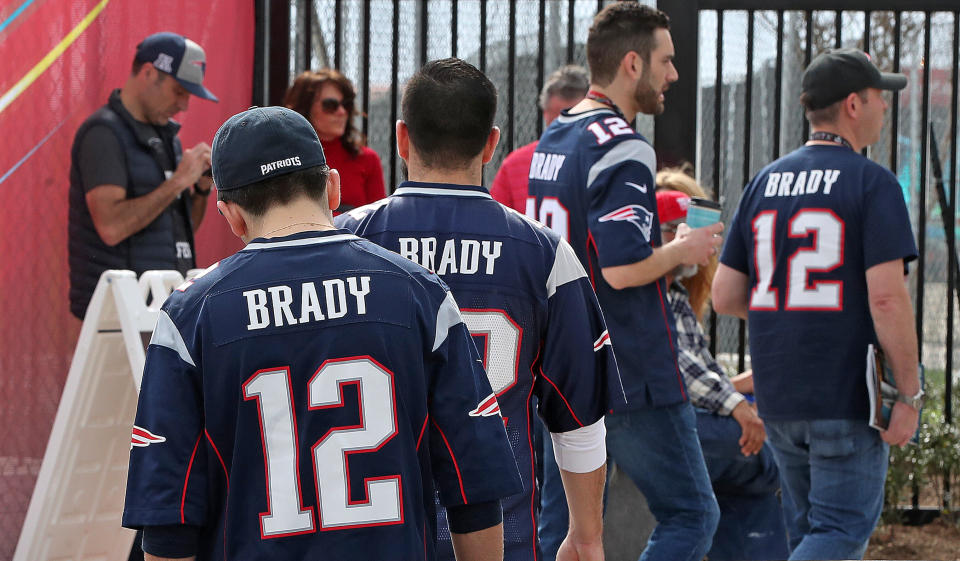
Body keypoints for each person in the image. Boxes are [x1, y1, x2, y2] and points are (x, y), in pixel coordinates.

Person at [121, 106, 523, 561]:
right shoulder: (418, 292)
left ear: (231, 215)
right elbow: (475, 488)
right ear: (333, 187)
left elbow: (168, 523)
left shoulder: (191, 313)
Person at [337, 58, 622, 561]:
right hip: (498, 538)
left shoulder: (343, 241)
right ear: (492, 144)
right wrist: (586, 534)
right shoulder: (544, 253)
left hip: (366, 533)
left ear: (402, 139)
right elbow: (578, 417)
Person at [526, 4, 723, 561]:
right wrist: (684, 248)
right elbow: (619, 268)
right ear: (633, 63)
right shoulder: (623, 143)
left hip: (561, 358)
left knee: (563, 530)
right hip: (629, 364)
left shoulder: (555, 137)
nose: (674, 75)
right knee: (692, 513)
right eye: (667, 60)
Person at [712, 48, 921, 560]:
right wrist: (911, 398)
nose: (884, 108)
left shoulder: (765, 182)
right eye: (878, 98)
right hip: (844, 394)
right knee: (841, 531)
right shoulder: (873, 182)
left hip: (780, 396)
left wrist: (792, 309)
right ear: (854, 104)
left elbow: (725, 295)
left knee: (811, 534)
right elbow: (888, 299)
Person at [655, 181, 788, 561]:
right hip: (660, 426)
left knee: (748, 485)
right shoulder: (648, 291)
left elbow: (696, 375)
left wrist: (742, 393)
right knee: (770, 455)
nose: (702, 241)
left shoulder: (675, 293)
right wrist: (739, 406)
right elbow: (676, 369)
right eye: (682, 229)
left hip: (684, 417)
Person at [489, 63, 589, 561]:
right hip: (564, 317)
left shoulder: (523, 161)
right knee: (571, 442)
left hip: (519, 326)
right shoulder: (594, 155)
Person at [68, 32, 218, 319]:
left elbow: (178, 234)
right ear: (149, 73)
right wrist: (177, 182)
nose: (185, 105)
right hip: (117, 313)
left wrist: (199, 189)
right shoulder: (103, 133)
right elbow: (111, 227)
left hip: (159, 303)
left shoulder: (166, 137)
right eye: (179, 91)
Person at [490, 65, 589, 213]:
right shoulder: (601, 160)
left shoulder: (515, 164)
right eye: (559, 120)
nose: (567, 130)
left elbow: (494, 224)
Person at [284, 69, 386, 212]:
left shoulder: (368, 159)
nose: (342, 112)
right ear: (306, 107)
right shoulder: (285, 159)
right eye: (331, 105)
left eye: (346, 104)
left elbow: (377, 220)